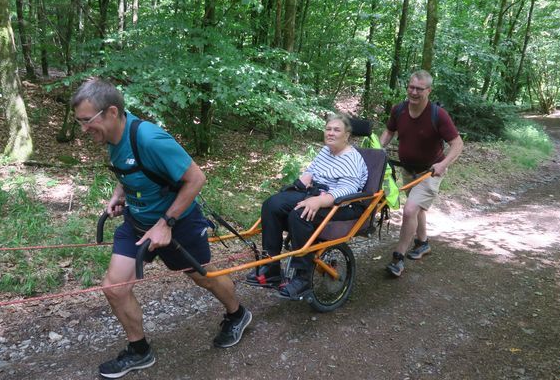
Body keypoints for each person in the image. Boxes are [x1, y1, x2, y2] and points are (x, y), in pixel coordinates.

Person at [71, 78, 252, 379]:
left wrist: (165, 223)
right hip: (137, 223)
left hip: (178, 223)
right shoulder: (112, 140)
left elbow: (196, 179)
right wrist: (119, 194)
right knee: (114, 288)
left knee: (203, 278)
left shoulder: (150, 139)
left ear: (112, 112)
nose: (83, 129)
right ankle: (139, 351)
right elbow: (132, 171)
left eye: (87, 121)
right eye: (80, 122)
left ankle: (237, 313)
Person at [246, 113, 368, 299]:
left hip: (342, 205)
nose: (331, 133)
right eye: (328, 129)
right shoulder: (326, 151)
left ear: (347, 135)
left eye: (337, 130)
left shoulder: (352, 158)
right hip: (316, 194)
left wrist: (318, 201)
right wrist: (306, 178)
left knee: (301, 214)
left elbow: (347, 190)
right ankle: (271, 268)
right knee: (272, 204)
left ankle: (303, 277)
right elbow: (312, 171)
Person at [379, 70, 463, 277]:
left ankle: (398, 258)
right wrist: (378, 149)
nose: (414, 92)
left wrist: (443, 164)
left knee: (409, 210)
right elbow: (389, 131)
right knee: (417, 209)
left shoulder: (438, 114)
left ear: (429, 90)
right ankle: (423, 243)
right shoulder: (399, 110)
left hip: (430, 172)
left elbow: (457, 144)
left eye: (419, 88)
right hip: (408, 169)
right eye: (411, 87)